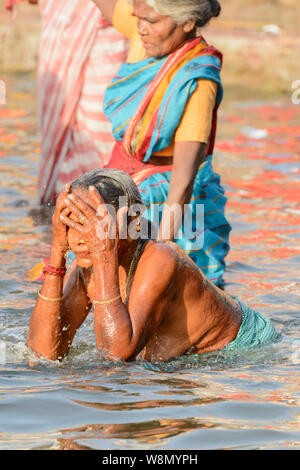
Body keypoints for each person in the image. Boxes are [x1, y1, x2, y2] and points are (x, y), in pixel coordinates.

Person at [27, 169, 280, 362]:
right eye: (71, 225)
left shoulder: (161, 258)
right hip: (175, 359)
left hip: (241, 348)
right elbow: (44, 354)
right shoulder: (86, 264)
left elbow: (115, 355)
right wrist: (57, 252)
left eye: (93, 225)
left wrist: (105, 255)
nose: (79, 238)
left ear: (132, 222)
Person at [90, 0, 231, 287]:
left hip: (169, 202)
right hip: (124, 183)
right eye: (137, 19)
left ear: (187, 23)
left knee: (166, 296)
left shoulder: (196, 78)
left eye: (151, 21)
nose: (141, 29)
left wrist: (161, 251)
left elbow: (183, 179)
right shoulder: (149, 34)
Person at [5, 0, 129, 204]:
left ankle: (95, 201)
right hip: (69, 23)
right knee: (68, 125)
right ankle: (68, 204)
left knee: (102, 125)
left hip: (108, 30)